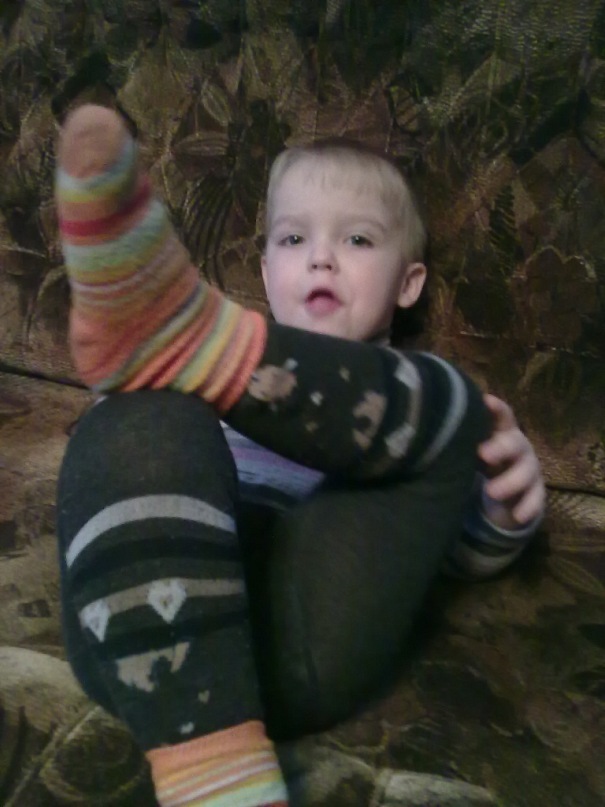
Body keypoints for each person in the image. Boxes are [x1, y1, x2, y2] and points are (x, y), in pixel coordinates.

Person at [54, 105, 544, 807]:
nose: (320, 257)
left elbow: (438, 554)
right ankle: (216, 772)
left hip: (303, 633)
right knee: (131, 415)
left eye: (357, 238)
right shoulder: (182, 403)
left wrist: (502, 510)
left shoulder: (414, 404)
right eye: (293, 237)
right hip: (145, 632)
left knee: (455, 407)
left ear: (409, 284)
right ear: (265, 269)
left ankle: (192, 339)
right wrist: (139, 412)